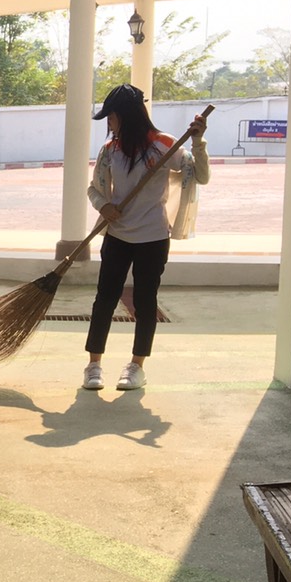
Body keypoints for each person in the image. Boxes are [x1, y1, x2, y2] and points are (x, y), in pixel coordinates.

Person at [82, 84, 209, 392]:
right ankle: (94, 364)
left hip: (153, 237)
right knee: (105, 300)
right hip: (117, 235)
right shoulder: (110, 150)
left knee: (145, 302)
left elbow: (201, 176)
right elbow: (94, 189)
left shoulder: (164, 145)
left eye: (111, 116)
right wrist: (104, 206)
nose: (109, 123)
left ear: (124, 115)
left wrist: (198, 142)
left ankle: (136, 367)